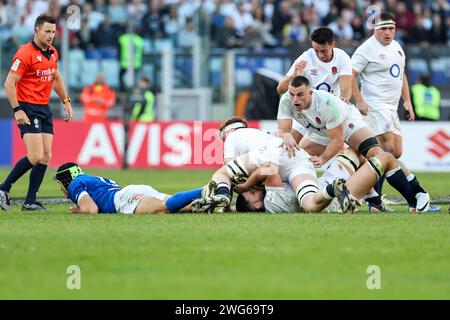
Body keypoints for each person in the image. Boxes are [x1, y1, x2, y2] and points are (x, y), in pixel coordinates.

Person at [277, 76, 436, 212]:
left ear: (310, 92)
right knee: (292, 159)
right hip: (320, 131)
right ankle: (374, 199)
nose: (295, 99)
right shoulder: (286, 101)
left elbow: (338, 141)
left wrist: (323, 159)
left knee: (378, 156)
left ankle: (416, 195)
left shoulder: (327, 103)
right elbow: (283, 129)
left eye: (300, 95)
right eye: (292, 95)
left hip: (347, 124)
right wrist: (286, 135)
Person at [351, 13, 440, 212]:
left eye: (391, 28)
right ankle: (412, 196)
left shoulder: (397, 48)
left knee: (394, 152)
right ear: (375, 29)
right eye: (383, 29)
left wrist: (407, 101)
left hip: (392, 107)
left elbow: (401, 74)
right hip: (375, 106)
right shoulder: (366, 49)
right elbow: (350, 74)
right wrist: (360, 100)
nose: (388, 32)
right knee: (387, 152)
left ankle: (374, 199)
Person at [0, 14, 73, 212]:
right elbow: (9, 83)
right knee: (35, 155)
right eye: (47, 31)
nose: (51, 35)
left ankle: (30, 201)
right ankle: (3, 189)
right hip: (27, 107)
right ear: (36, 31)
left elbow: (55, 77)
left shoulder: (53, 52)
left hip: (44, 107)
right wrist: (17, 110)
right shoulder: (25, 53)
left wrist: (66, 100)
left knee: (46, 156)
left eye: (53, 32)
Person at [191, 134, 358, 214]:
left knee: (222, 174)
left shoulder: (232, 138)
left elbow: (267, 169)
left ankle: (223, 195)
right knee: (309, 202)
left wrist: (244, 186)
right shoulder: (252, 133)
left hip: (273, 156)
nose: (253, 188)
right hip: (298, 160)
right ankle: (364, 195)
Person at [55, 162, 216, 214]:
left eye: (60, 184)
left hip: (122, 200)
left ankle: (204, 190)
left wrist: (79, 209)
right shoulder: (89, 178)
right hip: (131, 191)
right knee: (176, 206)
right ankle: (214, 202)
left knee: (164, 208)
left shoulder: (75, 183)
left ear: (65, 180)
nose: (60, 188)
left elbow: (91, 209)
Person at [277, 26, 353, 101]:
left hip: (333, 105)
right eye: (316, 50)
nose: (320, 55)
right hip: (309, 105)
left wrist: (343, 102)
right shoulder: (305, 58)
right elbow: (280, 89)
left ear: (333, 44)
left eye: (324, 51)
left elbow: (346, 88)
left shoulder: (342, 57)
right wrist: (293, 76)